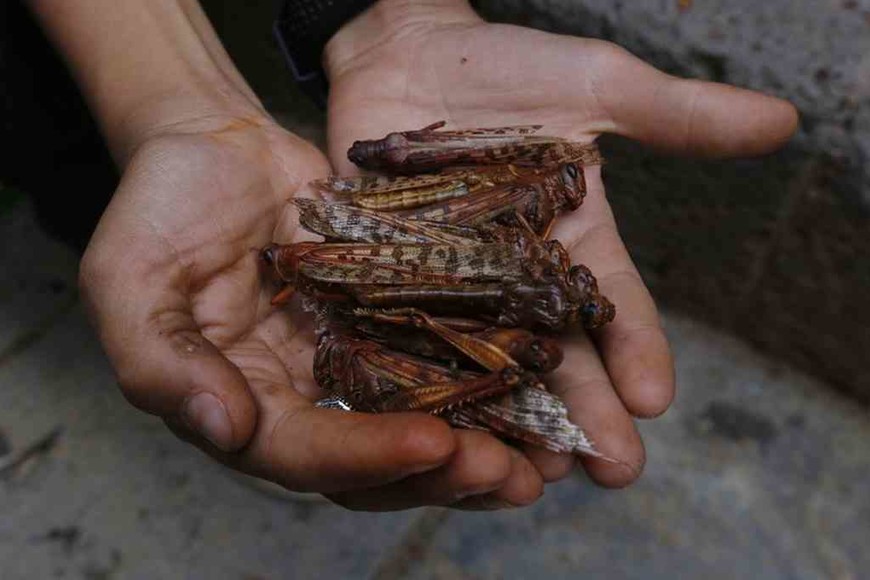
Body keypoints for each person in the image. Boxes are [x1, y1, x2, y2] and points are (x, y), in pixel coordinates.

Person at [21, 0, 797, 510]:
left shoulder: (515, 268)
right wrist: (168, 105)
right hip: (386, 253)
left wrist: (393, 13)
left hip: (418, 269)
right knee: (69, 172)